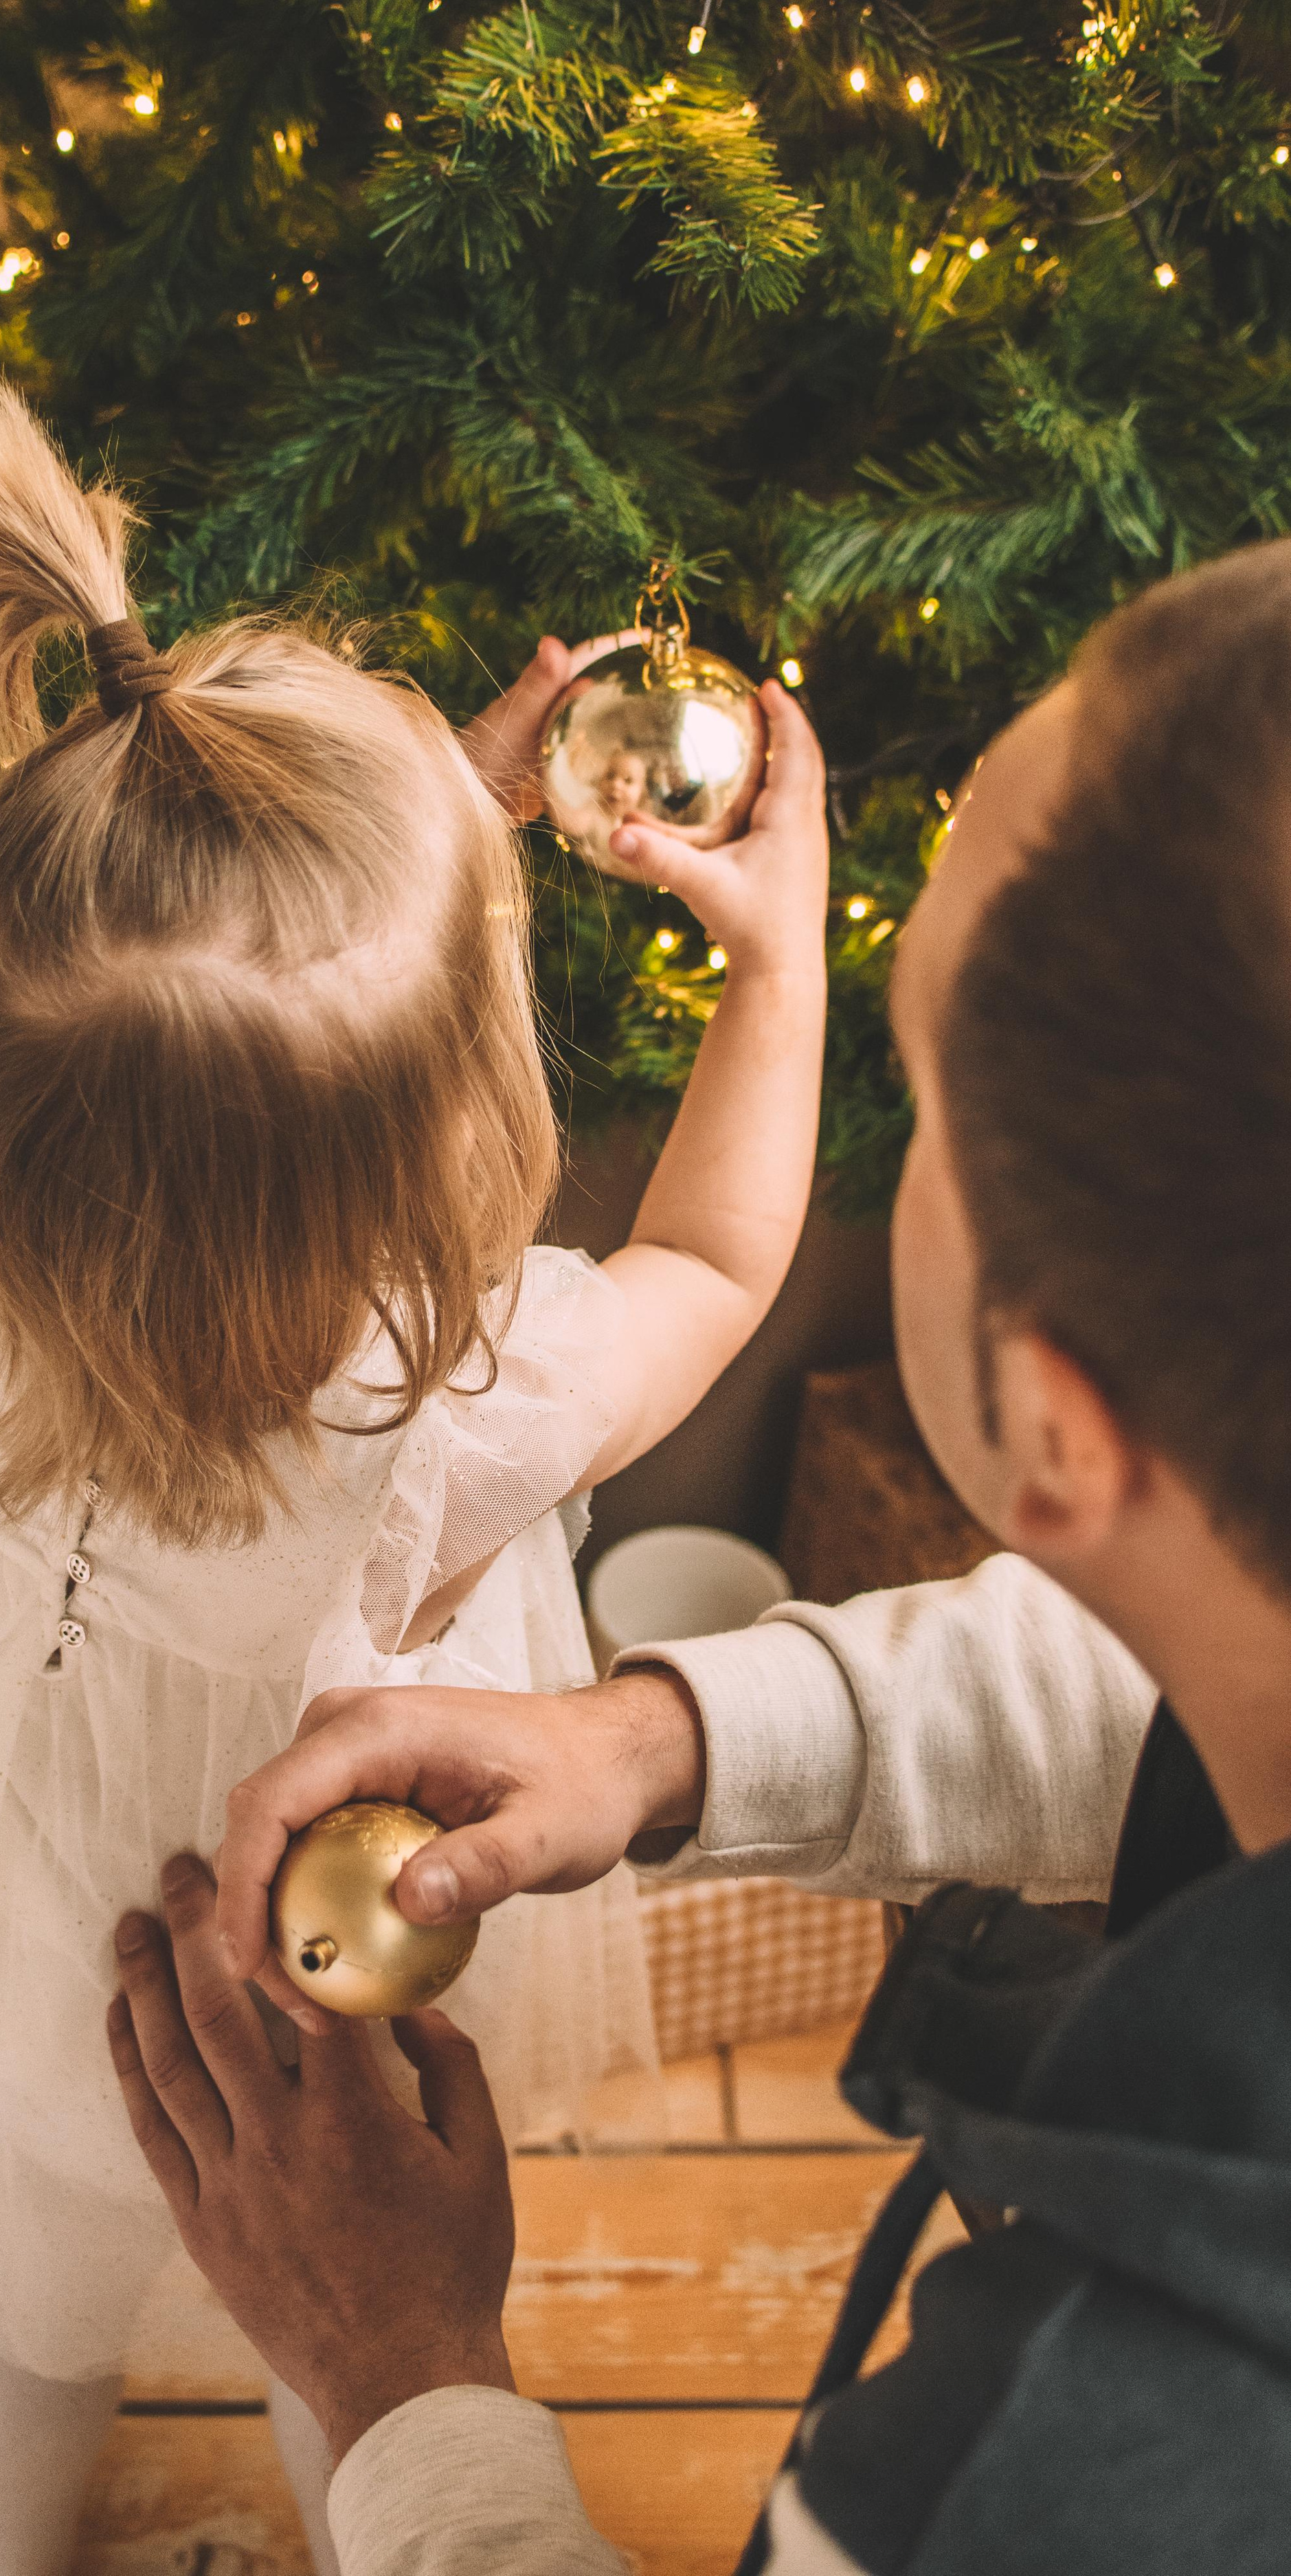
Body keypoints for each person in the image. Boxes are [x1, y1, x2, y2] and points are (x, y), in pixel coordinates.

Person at [108, 541, 1291, 2573]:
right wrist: (671, 1740)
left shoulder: (1024, 2493)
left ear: (1057, 1418)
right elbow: (1185, 1672)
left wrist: (402, 2382)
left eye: (914, 1103)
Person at [0, 369, 831, 2576]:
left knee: (34, 2319)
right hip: (309, 1995)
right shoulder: (442, 1414)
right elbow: (721, 1255)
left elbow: (199, 1073)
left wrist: (397, 850)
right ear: (467, 1116)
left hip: (29, 1955)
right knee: (341, 2329)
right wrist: (781, 968)